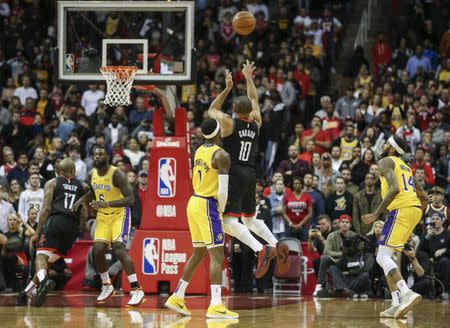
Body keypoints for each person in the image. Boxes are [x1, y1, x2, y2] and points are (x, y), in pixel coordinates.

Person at [208, 62, 289, 278]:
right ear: (249, 112)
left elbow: (212, 110)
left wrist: (226, 88)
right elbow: (254, 99)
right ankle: (275, 242)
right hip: (251, 173)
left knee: (228, 222)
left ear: (234, 110)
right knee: (249, 219)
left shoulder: (228, 123)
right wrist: (248, 78)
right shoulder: (256, 122)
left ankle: (260, 249)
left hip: (234, 173)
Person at [165, 118, 238, 319]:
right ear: (217, 133)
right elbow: (222, 191)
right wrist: (221, 210)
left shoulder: (199, 150)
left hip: (194, 202)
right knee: (217, 254)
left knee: (198, 253)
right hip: (208, 204)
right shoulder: (221, 154)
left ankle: (177, 296)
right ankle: (215, 305)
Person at [362, 135, 428, 319]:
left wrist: (376, 214)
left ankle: (406, 293)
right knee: (386, 256)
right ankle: (396, 302)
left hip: (401, 209)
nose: (382, 145)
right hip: (412, 210)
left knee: (382, 256)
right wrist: (417, 212)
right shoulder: (405, 167)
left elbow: (394, 189)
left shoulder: (385, 161)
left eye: (386, 143)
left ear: (391, 149)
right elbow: (423, 195)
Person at [73, 146, 145, 307]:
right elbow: (92, 191)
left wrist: (107, 203)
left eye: (100, 153)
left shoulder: (116, 174)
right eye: (94, 154)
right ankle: (106, 285)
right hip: (103, 216)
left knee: (119, 249)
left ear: (108, 156)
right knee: (98, 249)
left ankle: (136, 289)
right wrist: (82, 200)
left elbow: (130, 199)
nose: (97, 156)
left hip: (120, 214)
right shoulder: (92, 174)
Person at [17, 159, 86, 306]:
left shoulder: (52, 183)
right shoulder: (82, 186)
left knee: (39, 258)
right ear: (74, 172)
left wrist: (38, 231)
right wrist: (79, 228)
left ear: (58, 171)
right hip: (72, 228)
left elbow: (46, 208)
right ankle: (25, 292)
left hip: (56, 222)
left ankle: (44, 281)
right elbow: (84, 214)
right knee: (46, 264)